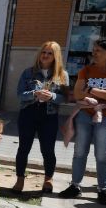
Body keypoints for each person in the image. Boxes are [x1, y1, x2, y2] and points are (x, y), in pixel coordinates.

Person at [59, 37, 106, 205]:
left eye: (98, 50)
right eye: (94, 49)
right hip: (85, 114)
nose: (94, 53)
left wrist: (91, 90)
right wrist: (103, 94)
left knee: (102, 155)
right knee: (79, 152)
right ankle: (75, 186)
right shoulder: (86, 70)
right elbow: (77, 94)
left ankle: (103, 190)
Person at [12, 41, 69, 194]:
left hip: (49, 116)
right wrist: (34, 94)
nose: (45, 55)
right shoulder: (28, 72)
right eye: (44, 52)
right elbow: (19, 94)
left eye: (50, 53)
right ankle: (20, 179)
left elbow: (64, 98)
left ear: (55, 56)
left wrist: (52, 96)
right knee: (24, 148)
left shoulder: (62, 75)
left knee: (48, 150)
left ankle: (48, 179)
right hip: (28, 113)